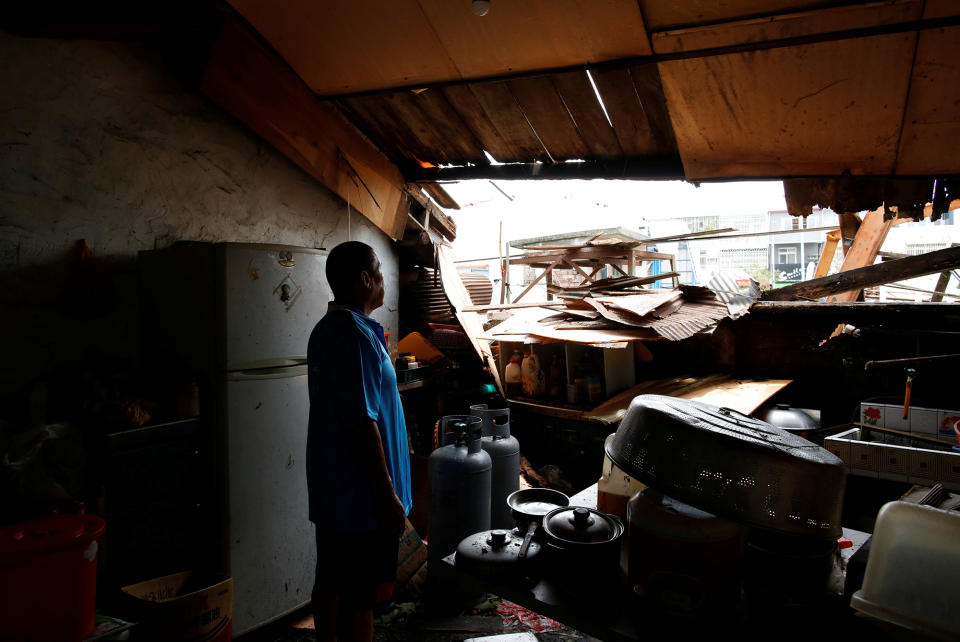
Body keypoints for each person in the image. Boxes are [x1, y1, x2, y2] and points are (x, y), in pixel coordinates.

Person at [306, 241, 412, 642]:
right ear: (366, 279)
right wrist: (387, 496)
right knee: (359, 599)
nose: (384, 281)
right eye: (380, 273)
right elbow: (361, 422)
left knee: (331, 579)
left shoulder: (330, 328)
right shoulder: (354, 335)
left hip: (336, 492)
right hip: (362, 498)